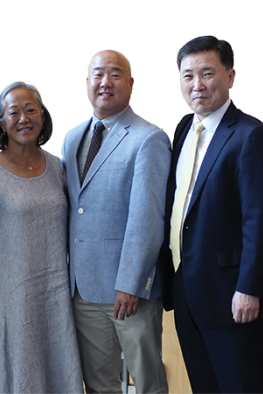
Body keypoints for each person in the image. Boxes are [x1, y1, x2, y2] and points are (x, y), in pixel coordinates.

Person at [159, 35, 263, 394]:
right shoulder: (184, 127)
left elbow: (261, 220)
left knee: (240, 386)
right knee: (205, 385)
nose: (197, 85)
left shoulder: (250, 136)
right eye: (188, 76)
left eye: (207, 73)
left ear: (230, 77)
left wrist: (249, 288)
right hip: (186, 288)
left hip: (232, 293)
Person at [61, 49, 170, 394]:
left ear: (131, 84)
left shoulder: (149, 138)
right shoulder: (72, 138)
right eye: (97, 74)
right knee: (98, 384)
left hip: (129, 292)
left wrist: (131, 283)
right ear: (87, 83)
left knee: (147, 381)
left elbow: (147, 218)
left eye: (115, 74)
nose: (105, 82)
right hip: (82, 288)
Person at [0, 81, 83, 394]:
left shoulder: (59, 168)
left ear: (42, 117)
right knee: (17, 374)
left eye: (30, 109)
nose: (23, 118)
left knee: (59, 369)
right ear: (1, 123)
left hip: (55, 293)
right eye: (14, 112)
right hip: (9, 298)